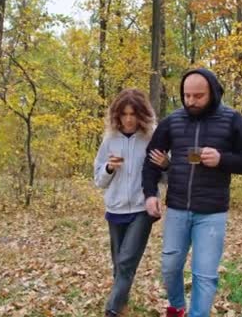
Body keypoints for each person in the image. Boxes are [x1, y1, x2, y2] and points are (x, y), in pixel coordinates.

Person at [142, 68, 242, 317]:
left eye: (198, 96)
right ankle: (177, 307)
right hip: (177, 209)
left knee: (204, 275)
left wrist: (222, 159)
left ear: (213, 93)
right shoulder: (172, 122)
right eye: (186, 96)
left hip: (212, 213)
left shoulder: (232, 120)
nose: (191, 102)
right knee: (170, 267)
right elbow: (152, 159)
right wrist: (150, 193)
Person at [94, 88, 168, 317]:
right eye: (124, 114)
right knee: (119, 265)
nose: (128, 119)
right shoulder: (110, 140)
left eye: (133, 114)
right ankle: (122, 304)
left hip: (141, 208)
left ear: (142, 115)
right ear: (117, 115)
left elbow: (165, 178)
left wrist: (166, 164)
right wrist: (108, 168)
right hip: (114, 209)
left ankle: (112, 310)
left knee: (126, 261)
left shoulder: (151, 137)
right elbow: (99, 180)